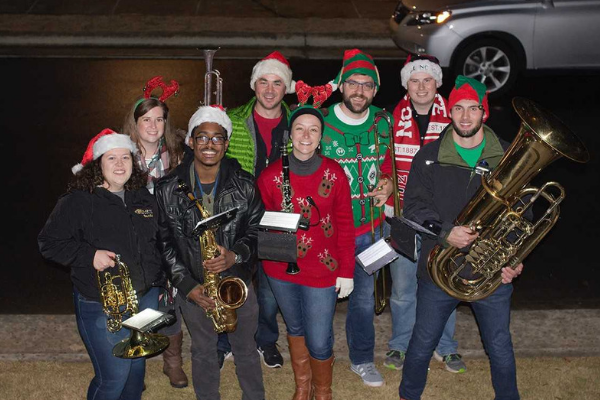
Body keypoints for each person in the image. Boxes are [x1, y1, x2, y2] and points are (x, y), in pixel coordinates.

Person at [398, 76, 523, 400]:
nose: (465, 116)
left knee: (499, 345)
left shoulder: (508, 158)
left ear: (484, 112)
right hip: (438, 271)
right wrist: (444, 232)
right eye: (458, 109)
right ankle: (408, 395)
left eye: (473, 108)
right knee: (423, 342)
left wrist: (513, 260)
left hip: (489, 273)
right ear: (449, 112)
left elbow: (522, 214)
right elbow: (413, 207)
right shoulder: (428, 156)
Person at [38, 129, 163, 400]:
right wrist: (89, 255)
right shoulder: (78, 201)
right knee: (113, 378)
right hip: (101, 304)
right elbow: (48, 243)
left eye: (125, 158)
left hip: (146, 300)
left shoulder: (143, 197)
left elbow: (159, 243)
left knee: (136, 371)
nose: (120, 165)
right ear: (98, 165)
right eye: (111, 158)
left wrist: (161, 283)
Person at [155, 105, 265, 400]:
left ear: (226, 144)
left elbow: (256, 232)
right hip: (196, 286)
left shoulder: (245, 185)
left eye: (217, 138)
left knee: (245, 351)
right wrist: (188, 287)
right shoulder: (167, 189)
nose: (209, 144)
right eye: (202, 137)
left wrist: (235, 255)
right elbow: (164, 243)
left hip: (236, 283)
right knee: (203, 353)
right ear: (190, 141)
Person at [257, 105, 355, 400]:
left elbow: (345, 225)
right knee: (295, 327)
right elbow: (259, 221)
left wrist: (346, 272)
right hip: (280, 269)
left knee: (319, 337)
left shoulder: (334, 174)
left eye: (314, 129)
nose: (306, 135)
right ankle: (303, 386)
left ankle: (322, 389)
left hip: (322, 270)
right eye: (300, 128)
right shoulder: (270, 175)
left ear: (321, 137)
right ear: (290, 134)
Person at [384, 54, 466, 374]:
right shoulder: (391, 117)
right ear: (406, 84)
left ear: (437, 84)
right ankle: (400, 344)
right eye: (414, 80)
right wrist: (386, 182)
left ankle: (445, 347)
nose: (421, 87)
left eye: (427, 80)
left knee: (445, 284)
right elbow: (383, 159)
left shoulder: (455, 117)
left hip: (443, 220)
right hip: (404, 216)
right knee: (404, 289)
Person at [320, 48, 394, 388]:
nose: (359, 91)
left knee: (363, 301)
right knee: (320, 299)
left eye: (367, 85)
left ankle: (362, 360)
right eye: (352, 83)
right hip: (328, 233)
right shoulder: (319, 122)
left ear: (375, 90)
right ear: (340, 85)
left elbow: (390, 164)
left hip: (370, 230)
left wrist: (389, 182)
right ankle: (315, 360)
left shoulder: (384, 121)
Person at [224, 51, 297, 368]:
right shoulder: (231, 118)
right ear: (254, 85)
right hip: (237, 218)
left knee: (270, 291)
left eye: (277, 83)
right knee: (230, 282)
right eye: (264, 82)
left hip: (279, 219)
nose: (270, 89)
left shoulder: (299, 123)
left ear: (286, 88)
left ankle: (266, 340)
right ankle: (224, 340)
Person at [121, 77, 188, 388]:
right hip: (131, 240)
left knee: (167, 303)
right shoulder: (121, 155)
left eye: (159, 119)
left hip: (167, 240)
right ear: (135, 123)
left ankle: (172, 361)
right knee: (135, 300)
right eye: (146, 119)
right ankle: (136, 364)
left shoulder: (176, 156)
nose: (153, 125)